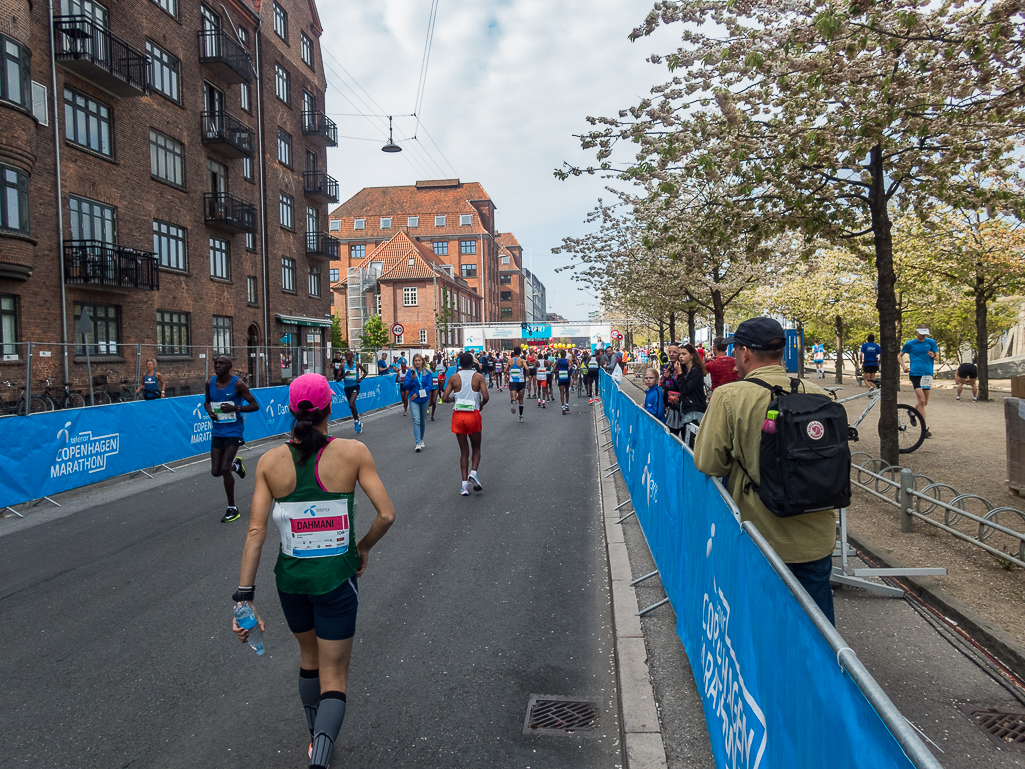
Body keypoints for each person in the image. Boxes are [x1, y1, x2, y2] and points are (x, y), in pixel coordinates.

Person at [231, 373, 395, 769]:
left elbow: (256, 530)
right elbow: (386, 514)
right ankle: (319, 760)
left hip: (291, 582)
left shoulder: (269, 462)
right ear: (330, 408)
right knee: (334, 676)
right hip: (336, 579)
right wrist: (362, 549)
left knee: (309, 659)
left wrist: (244, 596)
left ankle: (313, 738)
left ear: (290, 411)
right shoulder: (353, 452)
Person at [693, 317, 836, 624]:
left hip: (762, 536)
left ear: (744, 353)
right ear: (781, 352)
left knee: (764, 631)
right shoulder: (818, 394)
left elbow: (708, 462)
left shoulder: (730, 396)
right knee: (819, 638)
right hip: (817, 537)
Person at [205, 356, 259, 523]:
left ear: (229, 366)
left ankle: (232, 508)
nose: (217, 366)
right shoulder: (210, 383)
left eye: (221, 363)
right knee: (216, 471)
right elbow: (206, 402)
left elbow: (255, 405)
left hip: (234, 430)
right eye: (216, 363)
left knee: (225, 468)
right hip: (218, 430)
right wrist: (210, 412)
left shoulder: (237, 384)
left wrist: (236, 407)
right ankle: (237, 465)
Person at [442, 351, 490, 495]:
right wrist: (481, 404)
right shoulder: (478, 377)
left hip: (458, 415)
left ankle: (464, 486)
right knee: (476, 448)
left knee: (464, 451)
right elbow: (486, 396)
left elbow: (444, 398)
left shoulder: (454, 377)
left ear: (460, 364)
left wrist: (455, 399)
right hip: (473, 415)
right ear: (472, 363)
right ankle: (473, 472)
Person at [899, 326, 938, 438]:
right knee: (921, 400)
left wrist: (933, 355)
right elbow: (899, 355)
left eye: (925, 334)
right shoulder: (910, 344)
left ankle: (911, 412)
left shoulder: (931, 342)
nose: (923, 336)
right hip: (915, 374)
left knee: (925, 402)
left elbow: (937, 358)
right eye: (922, 334)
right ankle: (924, 430)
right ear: (917, 332)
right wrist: (904, 366)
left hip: (927, 374)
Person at [663, 343, 707, 437]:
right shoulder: (686, 370)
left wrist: (679, 374)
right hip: (683, 409)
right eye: (680, 354)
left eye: (684, 354)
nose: (681, 356)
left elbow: (685, 389)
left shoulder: (695, 371)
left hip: (694, 411)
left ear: (691, 356)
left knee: (690, 441)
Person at [403, 354, 433, 452]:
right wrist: (412, 380)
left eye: (419, 360)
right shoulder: (410, 372)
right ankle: (417, 443)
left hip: (424, 399)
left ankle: (421, 438)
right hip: (414, 401)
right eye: (415, 360)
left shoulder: (427, 372)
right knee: (416, 420)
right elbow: (406, 386)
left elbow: (429, 386)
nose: (417, 362)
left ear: (422, 361)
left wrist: (418, 394)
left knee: (423, 421)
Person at [340, 351, 367, 434]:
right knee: (352, 406)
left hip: (355, 386)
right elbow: (337, 378)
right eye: (346, 355)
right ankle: (358, 422)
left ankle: (355, 422)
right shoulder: (342, 365)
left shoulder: (357, 364)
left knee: (351, 404)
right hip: (347, 388)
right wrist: (344, 375)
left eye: (349, 355)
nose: (348, 357)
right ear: (345, 356)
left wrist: (361, 379)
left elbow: (365, 372)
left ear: (352, 356)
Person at [507, 346, 527, 422]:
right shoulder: (522, 360)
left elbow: (505, 370)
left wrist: (509, 374)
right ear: (520, 352)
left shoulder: (510, 361)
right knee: (521, 400)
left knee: (513, 397)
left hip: (513, 381)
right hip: (521, 381)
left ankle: (513, 401)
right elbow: (527, 369)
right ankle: (521, 416)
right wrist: (526, 375)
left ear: (514, 352)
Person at [431, 354, 448, 421]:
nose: (439, 358)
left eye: (440, 357)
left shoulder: (442, 362)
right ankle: (441, 398)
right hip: (437, 376)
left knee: (440, 388)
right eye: (438, 357)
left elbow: (447, 368)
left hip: (442, 376)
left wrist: (444, 372)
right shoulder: (434, 363)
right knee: (439, 388)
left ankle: (445, 394)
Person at [555, 349, 572, 414]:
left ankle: (563, 406)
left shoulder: (557, 361)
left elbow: (554, 369)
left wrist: (557, 370)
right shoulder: (567, 361)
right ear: (565, 355)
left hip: (560, 377)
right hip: (566, 377)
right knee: (567, 391)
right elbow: (570, 367)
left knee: (561, 392)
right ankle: (567, 404)